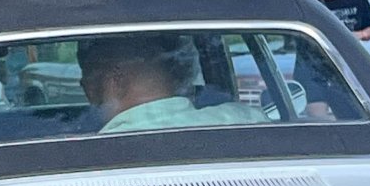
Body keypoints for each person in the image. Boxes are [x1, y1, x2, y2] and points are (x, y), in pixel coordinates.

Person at [77, 33, 268, 133]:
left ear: (116, 79)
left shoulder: (100, 155)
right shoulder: (248, 119)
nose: (83, 87)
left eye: (88, 76)